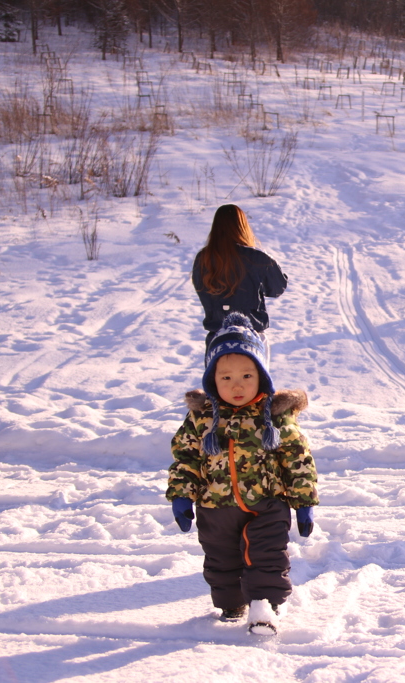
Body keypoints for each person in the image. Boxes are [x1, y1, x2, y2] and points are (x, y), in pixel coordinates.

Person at [166, 312, 318, 636]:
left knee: (267, 555)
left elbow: (298, 459)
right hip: (214, 507)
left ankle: (264, 606)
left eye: (247, 376)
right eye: (226, 378)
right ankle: (231, 605)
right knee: (221, 561)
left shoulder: (274, 417)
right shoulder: (201, 419)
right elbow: (186, 457)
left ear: (261, 375)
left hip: (267, 503)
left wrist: (303, 502)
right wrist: (181, 494)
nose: (237, 385)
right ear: (212, 380)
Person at [192, 204, 288, 350]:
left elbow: (201, 289)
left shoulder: (203, 258)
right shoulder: (257, 257)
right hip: (252, 337)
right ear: (242, 226)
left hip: (216, 339)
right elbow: (277, 288)